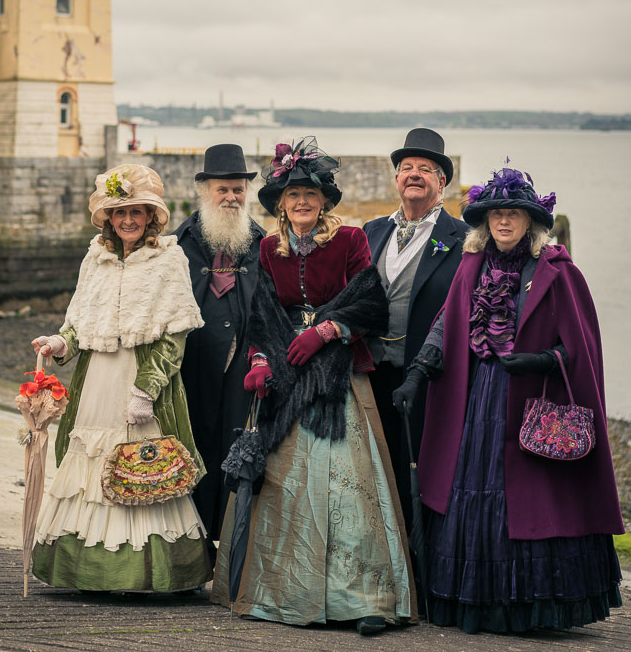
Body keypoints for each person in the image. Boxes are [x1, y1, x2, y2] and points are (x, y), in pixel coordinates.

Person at [401, 166, 623, 633]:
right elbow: (446, 324)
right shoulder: (470, 266)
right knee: (472, 494)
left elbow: (579, 350)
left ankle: (529, 606)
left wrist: (542, 360)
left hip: (525, 402)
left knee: (524, 501)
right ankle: (478, 603)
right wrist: (419, 371)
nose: (504, 222)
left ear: (531, 221)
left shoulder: (559, 273)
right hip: (473, 400)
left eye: (513, 215)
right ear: (486, 221)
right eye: (497, 214)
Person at [211, 138, 416, 636]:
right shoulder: (266, 247)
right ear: (280, 203)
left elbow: (371, 302)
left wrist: (326, 331)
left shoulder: (349, 240)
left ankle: (364, 599)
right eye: (292, 195)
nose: (301, 202)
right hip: (287, 378)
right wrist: (261, 360)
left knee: (350, 491)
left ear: (324, 200)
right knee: (284, 487)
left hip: (338, 380)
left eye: (310, 194)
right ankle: (282, 592)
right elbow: (261, 314)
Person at [30, 163, 211, 592]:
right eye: (119, 213)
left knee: (144, 465)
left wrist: (146, 390)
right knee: (88, 466)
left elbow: (174, 336)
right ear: (108, 218)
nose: (128, 220)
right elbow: (79, 325)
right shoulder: (95, 259)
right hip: (96, 382)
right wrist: (58, 345)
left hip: (139, 382)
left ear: (151, 215)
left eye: (136, 211)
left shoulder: (170, 259)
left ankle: (144, 574)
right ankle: (87, 572)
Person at [363, 128, 468, 522]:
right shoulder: (373, 231)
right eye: (406, 167)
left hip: (429, 378)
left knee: (425, 472)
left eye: (426, 169)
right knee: (376, 469)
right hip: (371, 372)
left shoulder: (462, 239)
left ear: (441, 182)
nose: (414, 174)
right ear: (395, 179)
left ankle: (424, 558)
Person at [175, 144, 265, 562]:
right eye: (223, 189)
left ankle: (230, 551)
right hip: (190, 371)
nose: (231, 197)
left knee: (232, 457)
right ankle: (189, 555)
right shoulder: (178, 245)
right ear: (205, 191)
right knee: (190, 454)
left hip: (241, 375)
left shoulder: (263, 245)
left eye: (238, 189)